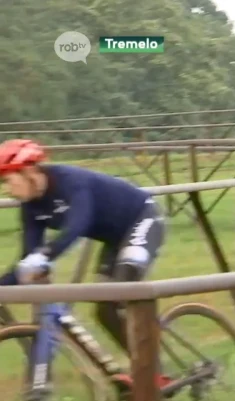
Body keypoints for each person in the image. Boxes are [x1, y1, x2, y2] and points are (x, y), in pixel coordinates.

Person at [0, 138, 170, 388]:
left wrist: (44, 256)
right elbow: (27, 256)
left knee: (123, 288)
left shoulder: (70, 182)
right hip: (115, 240)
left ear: (28, 172)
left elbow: (76, 227)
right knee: (104, 310)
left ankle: (155, 374)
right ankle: (148, 370)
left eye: (7, 179)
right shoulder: (31, 207)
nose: (7, 189)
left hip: (142, 219)